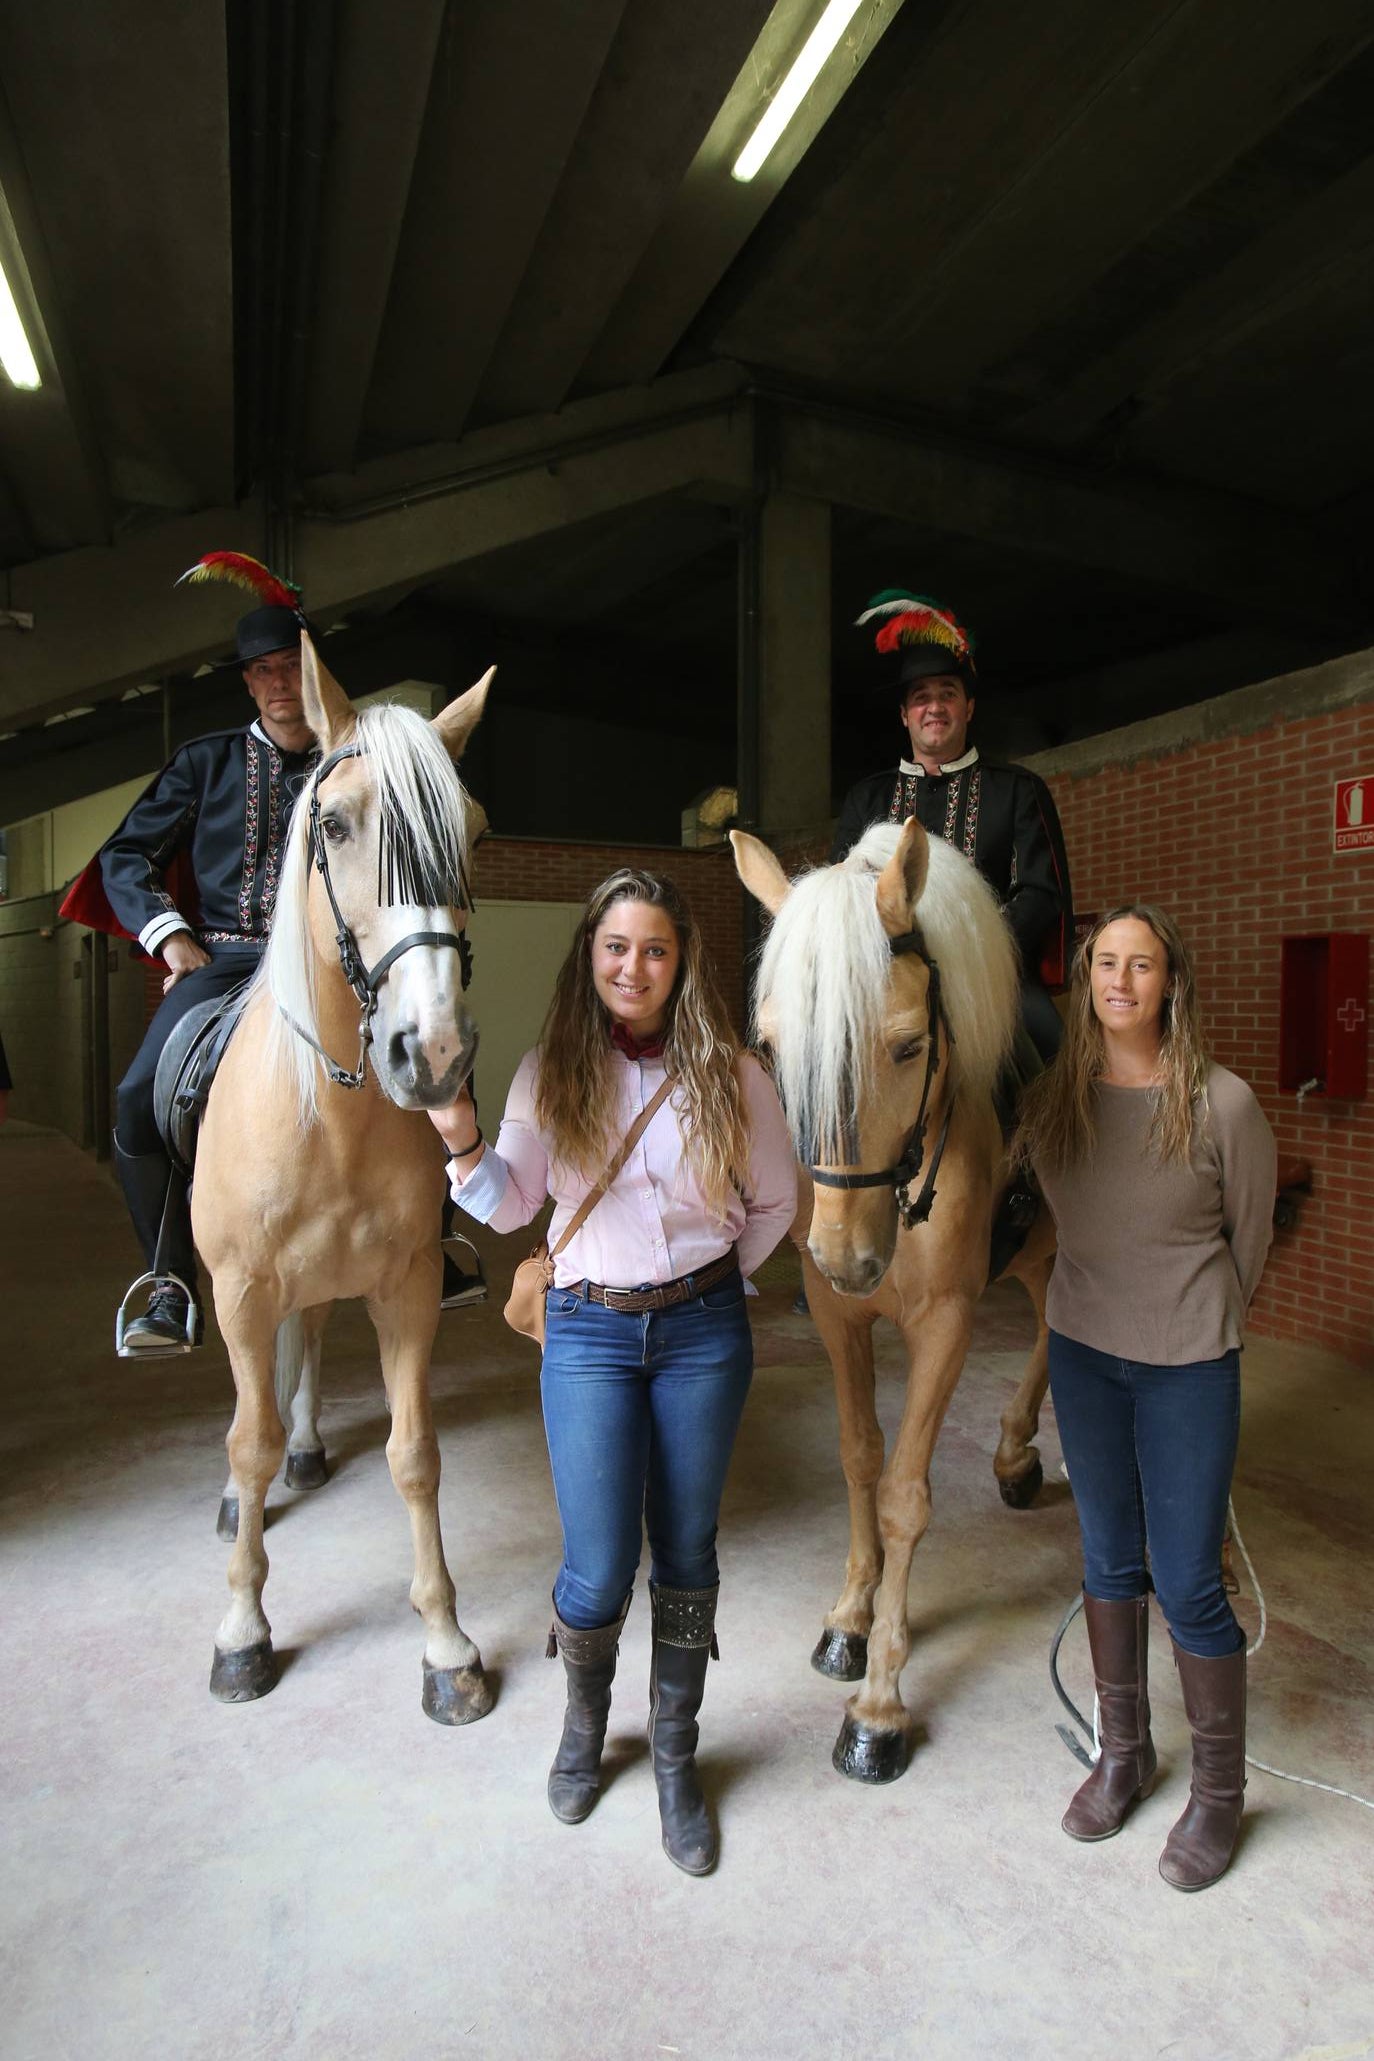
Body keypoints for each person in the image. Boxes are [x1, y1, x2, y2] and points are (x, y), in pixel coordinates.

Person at [430, 867, 794, 1875]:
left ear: (682, 965)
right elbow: (508, 1207)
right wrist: (459, 1137)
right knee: (596, 1566)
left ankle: (676, 1759)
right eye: (616, 947)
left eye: (655, 949)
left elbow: (774, 1206)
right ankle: (584, 1736)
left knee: (685, 1553)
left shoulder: (736, 1076)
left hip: (703, 1337)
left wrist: (711, 1282)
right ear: (591, 958)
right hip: (587, 1333)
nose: (634, 966)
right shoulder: (551, 1071)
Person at [1015, 906, 1276, 1892]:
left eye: (1143, 965)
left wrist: (1187, 1324)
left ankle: (1220, 1797)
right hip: (1084, 1355)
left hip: (1188, 1364)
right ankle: (1126, 1754)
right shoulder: (1054, 1104)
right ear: (1085, 980)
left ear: (1172, 981)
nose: (1121, 980)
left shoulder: (1223, 1105)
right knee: (1108, 1559)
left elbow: (1245, 1245)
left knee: (1189, 1579)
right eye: (1105, 964)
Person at [73, 591, 318, 1349]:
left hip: (325, 963)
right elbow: (123, 854)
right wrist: (171, 937)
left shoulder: (354, 758)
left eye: (292, 667)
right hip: (226, 954)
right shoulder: (204, 762)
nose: (280, 683)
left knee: (437, 1064)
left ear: (314, 671)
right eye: (264, 671)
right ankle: (170, 1280)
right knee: (137, 1097)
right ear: (248, 681)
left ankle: (433, 1251)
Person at [832, 590, 1071, 1061]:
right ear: (905, 715)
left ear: (969, 708)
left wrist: (976, 952)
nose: (934, 707)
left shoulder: (1019, 790)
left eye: (948, 694)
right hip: (886, 980)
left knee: (1054, 1055)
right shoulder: (868, 798)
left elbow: (1041, 893)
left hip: (994, 981)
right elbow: (842, 896)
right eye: (921, 698)